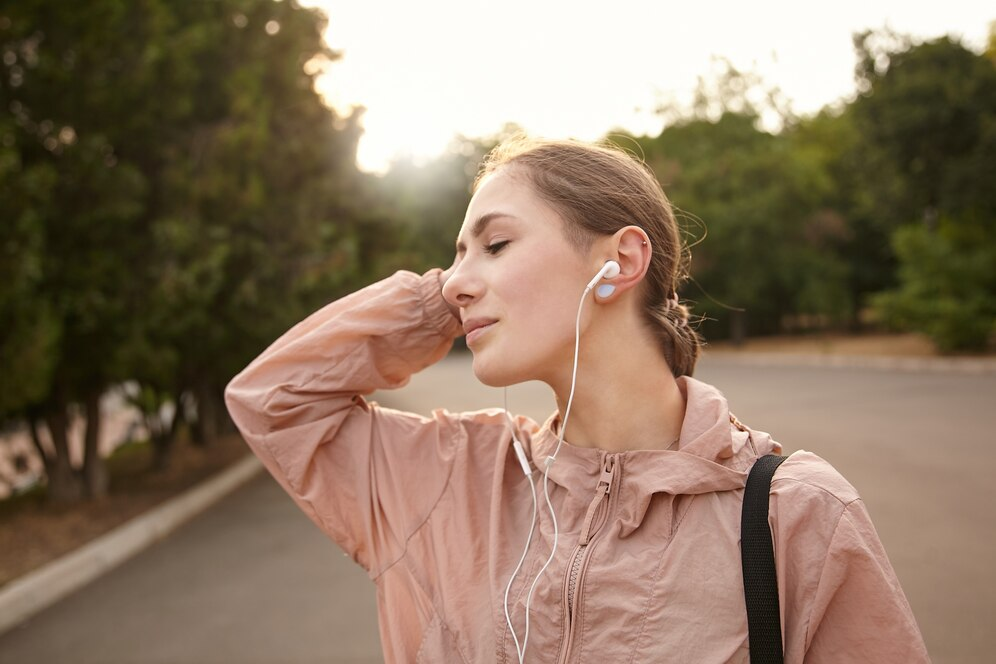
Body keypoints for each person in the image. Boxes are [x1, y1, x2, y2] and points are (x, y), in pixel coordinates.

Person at [224, 137, 930, 663]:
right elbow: (274, 401)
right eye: (456, 254)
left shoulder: (797, 516)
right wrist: (436, 304)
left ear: (619, 262)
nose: (457, 281)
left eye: (495, 244)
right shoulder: (448, 478)